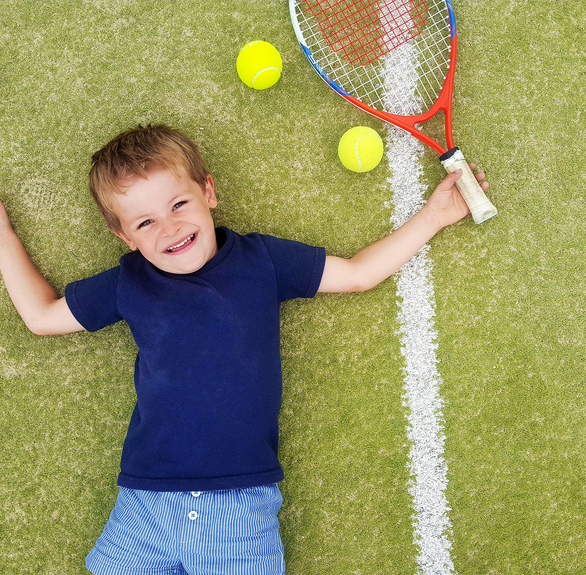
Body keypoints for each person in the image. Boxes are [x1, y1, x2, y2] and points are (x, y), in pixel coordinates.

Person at [0, 124, 488, 575]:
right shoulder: (129, 283)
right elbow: (42, 316)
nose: (169, 229)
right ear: (123, 237)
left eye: (178, 205)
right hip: (144, 505)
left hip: (237, 510)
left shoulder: (261, 260)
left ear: (208, 192)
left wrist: (437, 215)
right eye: (144, 222)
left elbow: (359, 274)